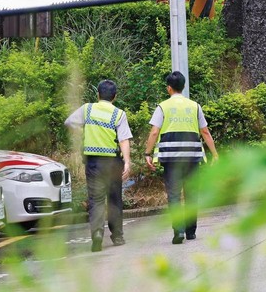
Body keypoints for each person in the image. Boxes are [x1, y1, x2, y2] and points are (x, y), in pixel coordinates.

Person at [144, 71, 218, 244]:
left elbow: (154, 131)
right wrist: (215, 154)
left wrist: (147, 153)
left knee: (174, 195)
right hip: (192, 157)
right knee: (192, 194)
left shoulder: (163, 106)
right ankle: (191, 232)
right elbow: (205, 131)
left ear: (168, 88)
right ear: (183, 87)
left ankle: (178, 231)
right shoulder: (195, 106)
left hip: (171, 158)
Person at [65, 80, 132, 252]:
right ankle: (117, 236)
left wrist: (84, 131)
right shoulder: (118, 113)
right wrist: (127, 161)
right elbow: (124, 139)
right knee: (114, 199)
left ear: (98, 95)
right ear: (115, 96)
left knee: (96, 199)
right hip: (112, 162)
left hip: (93, 162)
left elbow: (69, 122)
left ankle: (96, 234)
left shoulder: (87, 109)